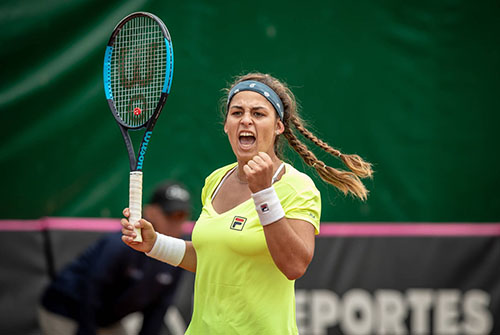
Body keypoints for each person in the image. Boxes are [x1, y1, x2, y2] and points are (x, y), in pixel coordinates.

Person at [121, 72, 373, 334]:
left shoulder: (298, 187)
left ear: (278, 126)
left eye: (259, 114)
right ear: (226, 125)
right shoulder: (215, 181)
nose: (246, 120)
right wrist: (155, 244)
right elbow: (214, 258)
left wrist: (263, 193)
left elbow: (295, 265)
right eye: (237, 112)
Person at [39, 181, 191, 335]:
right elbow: (91, 289)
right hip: (64, 311)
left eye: (182, 216)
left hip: (107, 319)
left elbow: (158, 308)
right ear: (150, 212)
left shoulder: (178, 252)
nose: (176, 223)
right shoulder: (122, 244)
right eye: (170, 215)